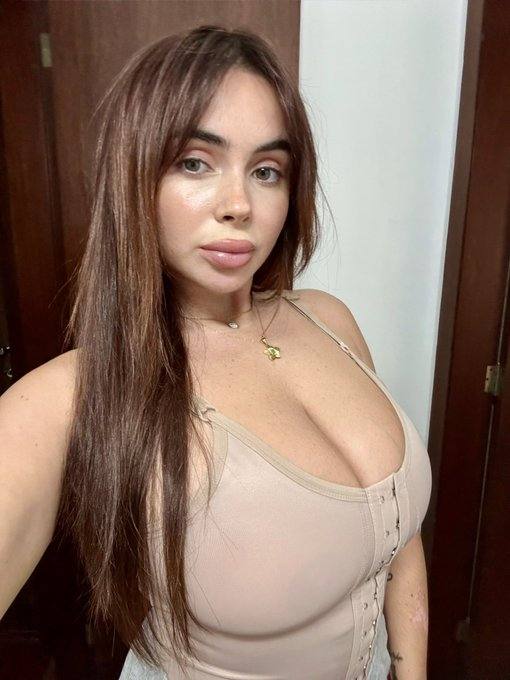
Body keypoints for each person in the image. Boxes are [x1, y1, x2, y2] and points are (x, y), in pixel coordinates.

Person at [0, 25, 432, 680]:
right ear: (133, 176)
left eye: (266, 171)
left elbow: (400, 539)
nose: (239, 205)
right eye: (195, 163)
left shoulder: (328, 319)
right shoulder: (67, 398)